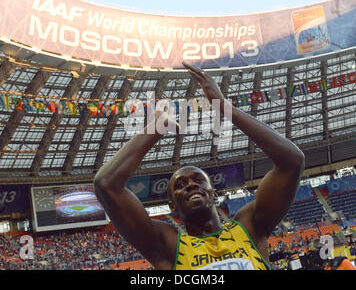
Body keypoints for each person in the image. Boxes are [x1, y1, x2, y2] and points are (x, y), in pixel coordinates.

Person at [94, 62, 305, 270]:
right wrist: (156, 128)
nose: (190, 185)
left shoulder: (249, 226)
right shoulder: (168, 246)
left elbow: (292, 161)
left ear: (214, 194)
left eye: (198, 180)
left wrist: (224, 106)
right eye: (180, 185)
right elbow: (106, 184)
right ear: (172, 206)